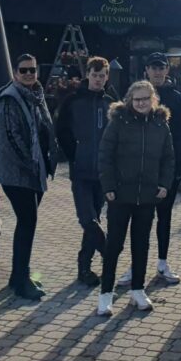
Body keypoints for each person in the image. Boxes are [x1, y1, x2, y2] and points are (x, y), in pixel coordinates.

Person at [96, 80, 174, 316]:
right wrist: (108, 185)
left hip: (147, 196)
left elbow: (168, 158)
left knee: (141, 244)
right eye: (137, 99)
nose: (141, 103)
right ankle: (105, 294)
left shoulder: (161, 124)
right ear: (130, 100)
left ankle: (138, 290)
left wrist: (164, 184)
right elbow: (105, 155)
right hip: (120, 194)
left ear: (153, 100)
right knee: (114, 245)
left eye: (145, 99)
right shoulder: (119, 122)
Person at [115, 53, 181, 287]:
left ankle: (163, 263)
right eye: (153, 67)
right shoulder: (135, 95)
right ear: (146, 70)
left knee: (164, 218)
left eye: (161, 67)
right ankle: (135, 266)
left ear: (167, 70)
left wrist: (178, 170)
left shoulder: (175, 98)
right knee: (139, 221)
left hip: (166, 170)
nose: (157, 72)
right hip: (140, 171)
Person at [0, 54, 55, 300]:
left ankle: (16, 276)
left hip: (34, 169)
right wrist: (30, 164)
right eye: (24, 70)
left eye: (32, 70)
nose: (29, 74)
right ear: (15, 73)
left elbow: (44, 129)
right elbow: (11, 136)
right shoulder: (10, 98)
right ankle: (22, 281)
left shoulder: (36, 95)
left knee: (26, 222)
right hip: (17, 172)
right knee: (27, 222)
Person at [56, 56, 117, 287]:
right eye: (95, 75)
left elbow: (118, 135)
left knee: (95, 219)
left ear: (107, 77)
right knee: (87, 219)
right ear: (88, 75)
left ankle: (84, 267)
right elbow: (61, 130)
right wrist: (74, 154)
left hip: (102, 173)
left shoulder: (111, 103)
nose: (98, 79)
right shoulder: (73, 101)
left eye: (102, 76)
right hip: (81, 172)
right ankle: (108, 253)